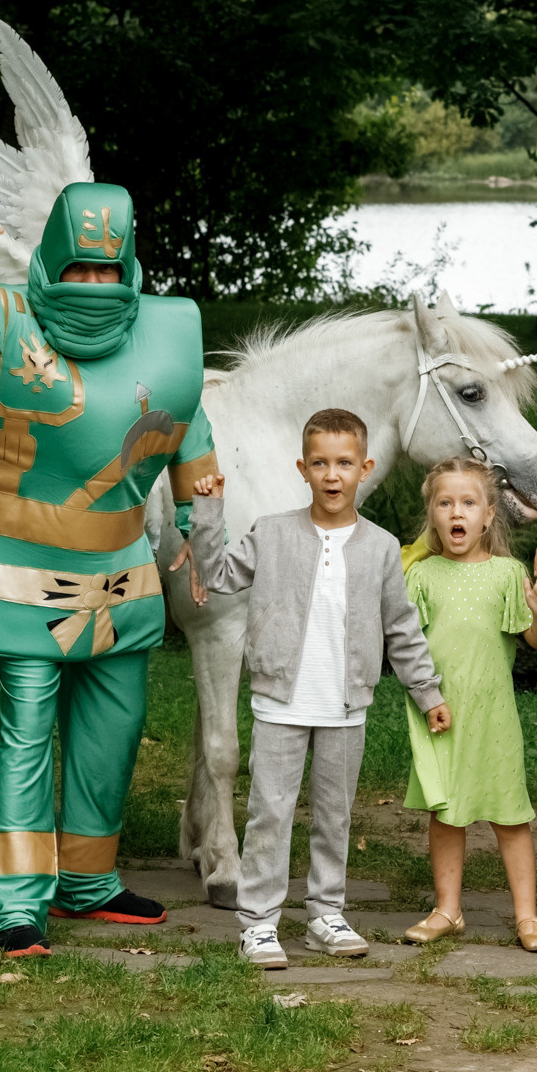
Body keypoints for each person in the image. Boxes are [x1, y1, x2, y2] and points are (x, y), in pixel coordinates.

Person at [0, 172, 219, 957]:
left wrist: (204, 521)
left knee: (113, 731)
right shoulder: (10, 318)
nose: (91, 287)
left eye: (104, 271)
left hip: (124, 574)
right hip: (23, 573)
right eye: (77, 271)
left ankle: (87, 881)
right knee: (25, 730)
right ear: (52, 267)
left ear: (126, 270)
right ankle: (13, 901)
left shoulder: (168, 332)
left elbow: (184, 417)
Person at [186, 409, 444, 970]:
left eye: (345, 463)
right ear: (303, 469)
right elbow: (217, 575)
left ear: (365, 468)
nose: (332, 475)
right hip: (281, 702)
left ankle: (326, 914)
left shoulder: (379, 547)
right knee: (269, 815)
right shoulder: (273, 533)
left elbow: (402, 628)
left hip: (346, 707)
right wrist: (207, 513)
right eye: (321, 463)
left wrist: (428, 693)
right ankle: (258, 924)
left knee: (335, 817)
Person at [397, 458, 537, 950]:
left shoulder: (507, 573)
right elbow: (404, 647)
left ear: (488, 516)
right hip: (440, 714)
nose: (456, 512)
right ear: (433, 515)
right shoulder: (422, 576)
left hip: (493, 717)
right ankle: (447, 910)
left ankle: (527, 917)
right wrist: (426, 700)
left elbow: (536, 641)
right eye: (445, 503)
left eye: (468, 502)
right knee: (446, 813)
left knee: (510, 814)